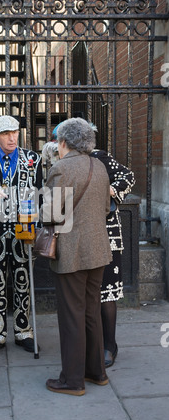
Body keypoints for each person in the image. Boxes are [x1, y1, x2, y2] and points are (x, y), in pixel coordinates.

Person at [42, 117, 112, 396]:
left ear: (64, 142)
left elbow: (50, 214)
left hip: (71, 252)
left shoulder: (60, 168)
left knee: (72, 316)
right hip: (98, 250)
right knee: (91, 312)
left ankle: (72, 381)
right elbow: (106, 207)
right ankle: (97, 372)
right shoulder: (100, 166)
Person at [0, 115, 43, 357]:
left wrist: (37, 225)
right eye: (5, 133)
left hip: (24, 229)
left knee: (24, 281)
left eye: (14, 131)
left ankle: (24, 331)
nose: (12, 137)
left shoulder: (33, 159)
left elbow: (42, 195)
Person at [90, 148, 135, 367]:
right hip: (81, 238)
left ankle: (110, 346)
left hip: (108, 236)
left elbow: (128, 175)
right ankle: (94, 344)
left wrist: (110, 190)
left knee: (107, 294)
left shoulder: (98, 157)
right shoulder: (66, 159)